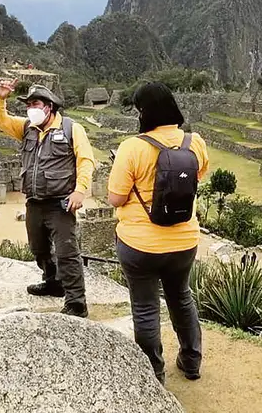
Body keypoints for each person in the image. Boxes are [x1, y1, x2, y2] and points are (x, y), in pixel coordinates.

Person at [107, 82, 208, 384]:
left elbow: (115, 197)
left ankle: (154, 374)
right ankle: (191, 362)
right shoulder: (195, 142)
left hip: (140, 245)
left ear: (143, 112)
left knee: (145, 307)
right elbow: (195, 178)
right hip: (184, 242)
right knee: (182, 297)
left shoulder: (133, 147)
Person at [0, 81, 95, 317]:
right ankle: (52, 282)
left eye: (34, 104)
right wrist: (0, 99)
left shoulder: (71, 128)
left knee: (67, 252)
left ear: (49, 106)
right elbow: (0, 121)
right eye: (28, 105)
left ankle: (77, 302)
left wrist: (80, 190)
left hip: (60, 202)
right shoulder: (27, 127)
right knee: (38, 248)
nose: (30, 109)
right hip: (35, 202)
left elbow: (86, 160)